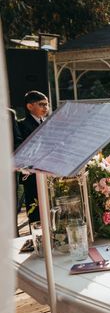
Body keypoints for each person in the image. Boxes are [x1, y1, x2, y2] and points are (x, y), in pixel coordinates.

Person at [18, 90, 49, 222]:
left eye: (47, 105)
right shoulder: (21, 124)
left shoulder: (49, 122)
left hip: (49, 171)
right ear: (30, 106)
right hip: (31, 174)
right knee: (35, 210)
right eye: (41, 104)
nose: (45, 108)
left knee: (50, 207)